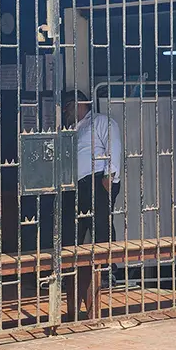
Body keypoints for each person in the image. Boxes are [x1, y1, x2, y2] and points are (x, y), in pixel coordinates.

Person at [62, 90, 124, 285]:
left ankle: (106, 273)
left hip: (97, 181)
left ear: (78, 103)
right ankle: (69, 275)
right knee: (72, 230)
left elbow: (113, 146)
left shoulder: (100, 121)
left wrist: (108, 178)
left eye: (67, 107)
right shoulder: (74, 128)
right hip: (76, 185)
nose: (65, 112)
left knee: (101, 226)